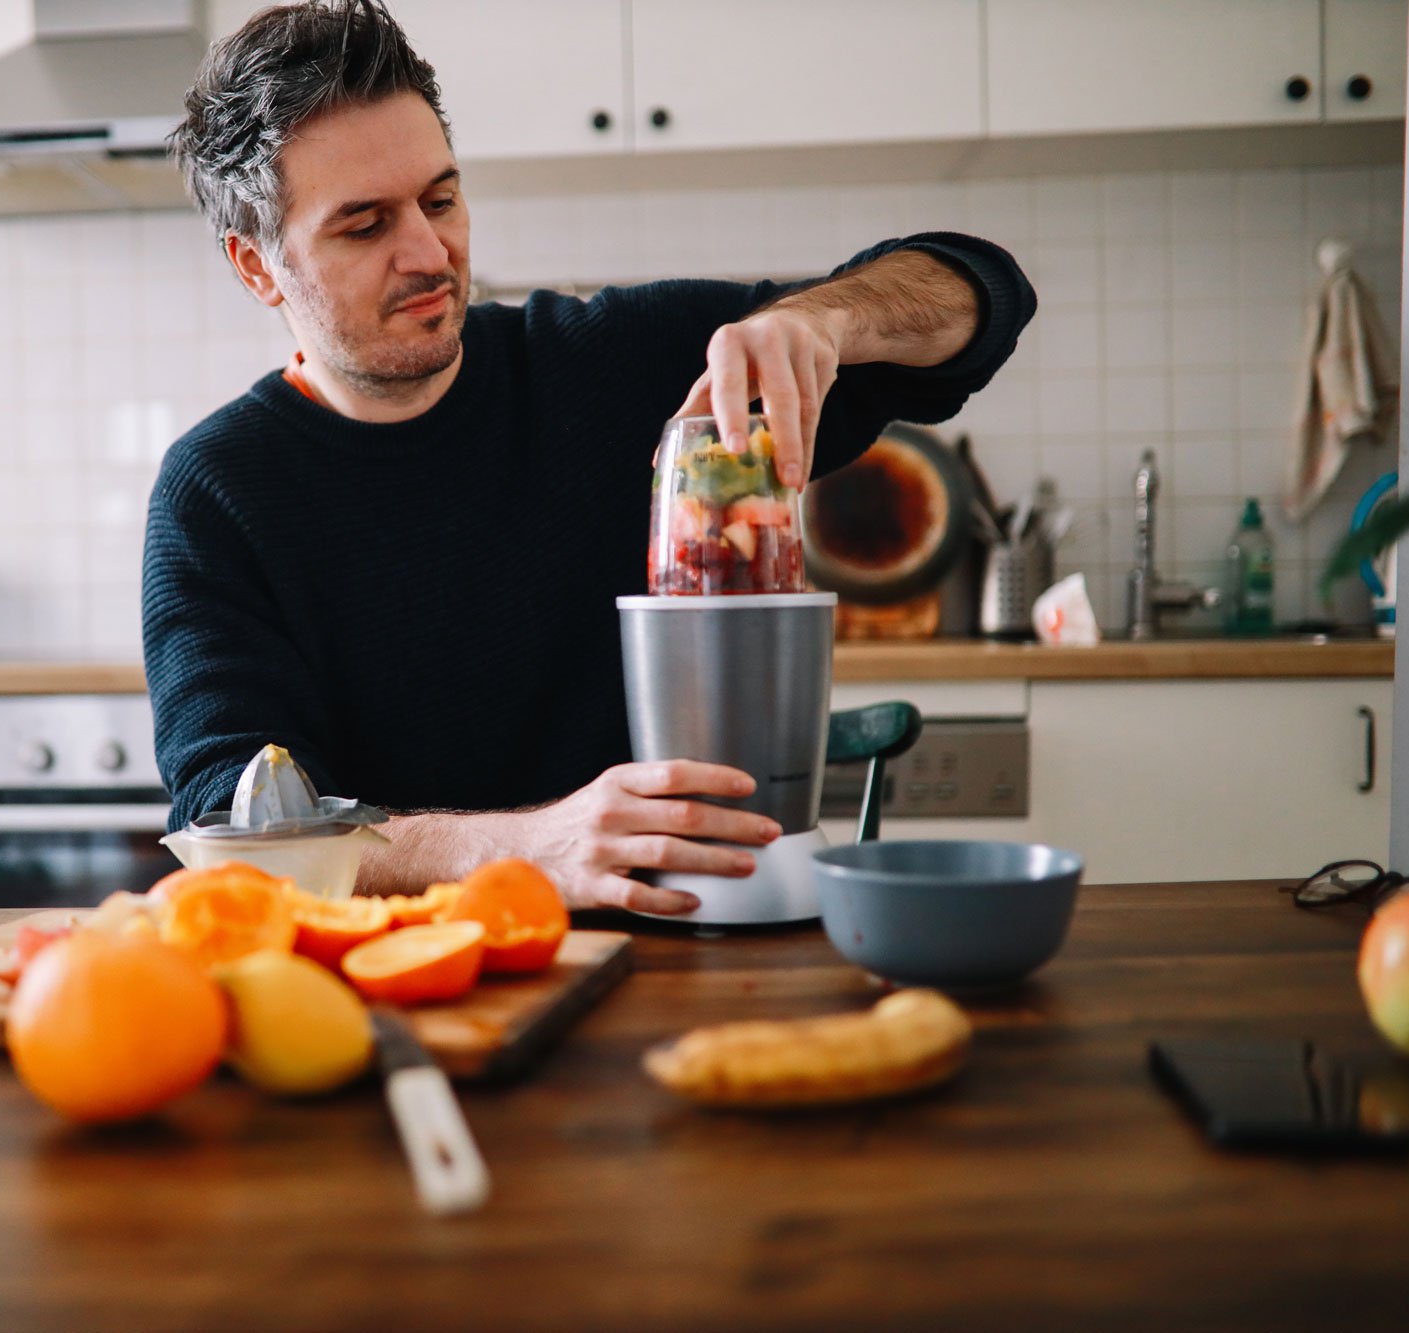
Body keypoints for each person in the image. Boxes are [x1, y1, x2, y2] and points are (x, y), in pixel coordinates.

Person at [144, 0, 1036, 914]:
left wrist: (828, 318)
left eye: (441, 200)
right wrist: (525, 846)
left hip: (664, 951)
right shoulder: (220, 490)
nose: (428, 252)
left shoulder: (623, 365)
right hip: (393, 988)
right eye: (365, 225)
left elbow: (983, 293)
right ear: (257, 266)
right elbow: (232, 828)